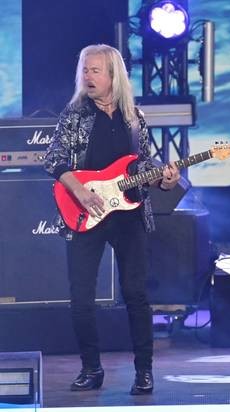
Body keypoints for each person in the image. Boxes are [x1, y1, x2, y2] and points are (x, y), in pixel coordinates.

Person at [42, 45, 181, 395]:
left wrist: (164, 178)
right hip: (84, 211)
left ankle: (144, 372)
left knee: (136, 293)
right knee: (82, 296)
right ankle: (91, 369)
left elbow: (143, 165)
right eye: (85, 70)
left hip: (128, 213)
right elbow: (53, 160)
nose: (88, 76)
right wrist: (80, 191)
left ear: (113, 75)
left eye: (95, 71)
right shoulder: (74, 114)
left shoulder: (135, 117)